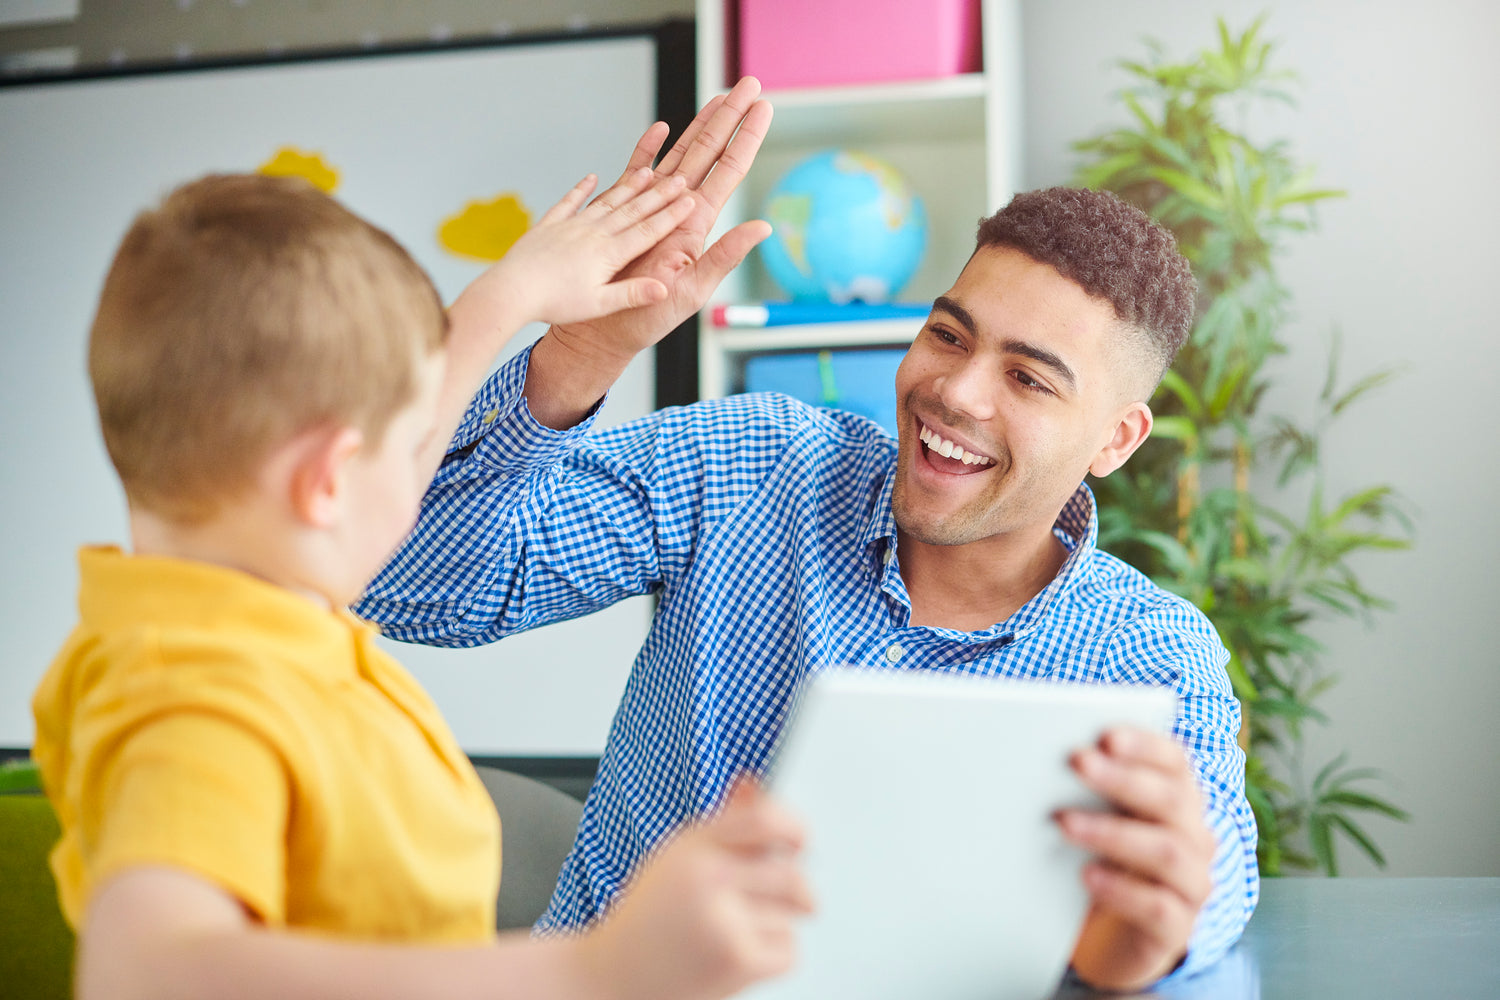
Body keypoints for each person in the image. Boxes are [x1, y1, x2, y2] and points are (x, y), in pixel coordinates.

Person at [360, 161, 1262, 990]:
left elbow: (1213, 869)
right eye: (950, 335)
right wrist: (580, 356)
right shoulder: (758, 465)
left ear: (1116, 438)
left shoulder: (1150, 653)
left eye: (1028, 379)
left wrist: (1157, 934)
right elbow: (410, 579)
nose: (957, 392)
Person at [31, 89, 815, 1000]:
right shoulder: (203, 691)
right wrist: (595, 969)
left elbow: (376, 456)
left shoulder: (245, 606)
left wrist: (510, 297)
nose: (426, 477)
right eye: (417, 449)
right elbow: (144, 972)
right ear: (326, 481)